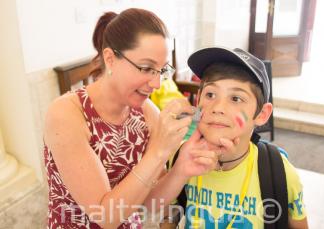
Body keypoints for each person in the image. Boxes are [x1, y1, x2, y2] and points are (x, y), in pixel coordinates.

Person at [43, 9, 220, 229]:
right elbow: (106, 218)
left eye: (160, 70)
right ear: (110, 58)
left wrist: (183, 167)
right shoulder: (66, 114)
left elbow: (146, 205)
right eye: (146, 68)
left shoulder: (146, 113)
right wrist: (158, 150)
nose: (156, 84)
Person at [152, 47, 309, 228]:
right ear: (197, 103)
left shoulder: (280, 172)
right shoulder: (181, 157)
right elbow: (169, 215)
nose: (218, 107)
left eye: (235, 98)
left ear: (262, 114)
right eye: (210, 94)